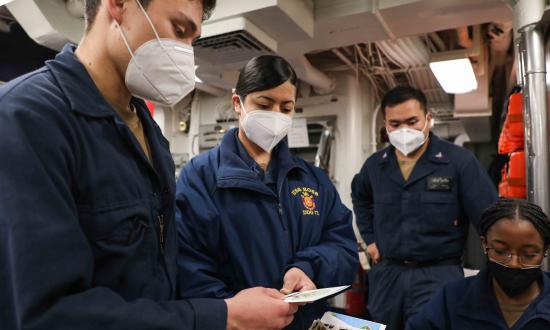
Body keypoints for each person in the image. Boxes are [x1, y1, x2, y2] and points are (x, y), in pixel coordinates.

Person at [0, 0, 298, 329]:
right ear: (118, 5)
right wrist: (222, 315)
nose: (185, 53)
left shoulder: (149, 132)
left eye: (192, 40)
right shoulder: (28, 119)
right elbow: (48, 315)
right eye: (178, 30)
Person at [175, 55, 358, 329]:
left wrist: (307, 268)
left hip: (306, 321)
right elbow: (188, 266)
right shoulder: (201, 177)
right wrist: (233, 312)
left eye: (286, 108)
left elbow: (343, 247)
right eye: (264, 104)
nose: (276, 115)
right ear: (238, 103)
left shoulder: (313, 181)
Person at [351, 86, 498, 329]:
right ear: (386, 126)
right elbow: (360, 198)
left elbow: (490, 219)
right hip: (388, 276)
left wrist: (495, 274)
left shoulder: (458, 161)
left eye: (412, 121)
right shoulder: (375, 166)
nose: (403, 130)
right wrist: (371, 240)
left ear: (428, 119)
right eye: (395, 124)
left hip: (438, 273)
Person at [407, 198, 550, 329]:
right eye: (501, 251)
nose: (514, 263)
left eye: (528, 255)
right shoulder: (452, 299)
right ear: (484, 244)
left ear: (545, 250)